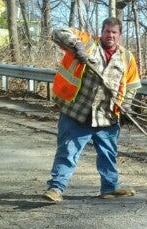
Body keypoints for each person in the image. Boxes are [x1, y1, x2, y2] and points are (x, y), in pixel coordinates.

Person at [42, 17, 141, 202]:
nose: (110, 35)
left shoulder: (127, 57)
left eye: (114, 32)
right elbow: (58, 33)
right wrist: (77, 45)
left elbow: (132, 85)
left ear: (119, 35)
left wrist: (127, 104)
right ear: (101, 32)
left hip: (107, 117)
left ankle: (110, 188)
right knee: (68, 152)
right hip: (77, 113)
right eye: (107, 31)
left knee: (108, 155)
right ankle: (56, 188)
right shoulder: (87, 42)